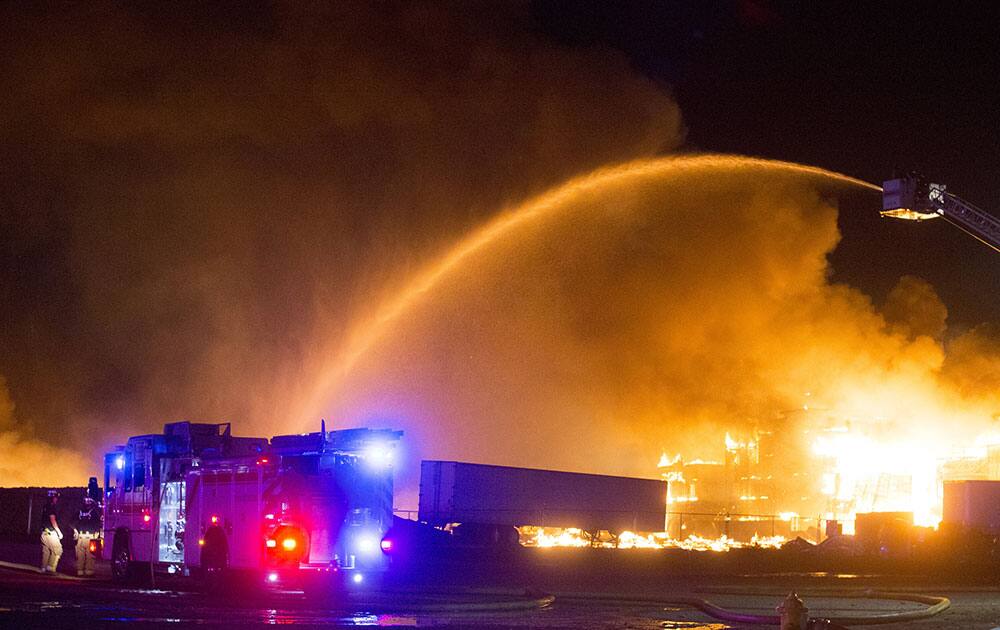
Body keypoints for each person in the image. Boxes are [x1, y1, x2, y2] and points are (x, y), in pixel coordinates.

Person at [74, 494, 102, 577]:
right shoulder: (94, 513)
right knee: (90, 556)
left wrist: (75, 531)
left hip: (80, 538)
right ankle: (89, 572)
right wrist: (97, 534)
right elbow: (98, 524)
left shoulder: (79, 512)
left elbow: (72, 522)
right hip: (90, 538)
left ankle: (80, 571)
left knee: (80, 556)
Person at [40, 491, 64, 573]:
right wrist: (59, 532)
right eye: (56, 497)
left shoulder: (45, 506)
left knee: (46, 551)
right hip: (51, 533)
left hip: (44, 533)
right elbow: (53, 520)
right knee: (58, 550)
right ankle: (51, 568)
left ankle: (43, 568)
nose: (56, 499)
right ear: (53, 498)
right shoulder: (51, 507)